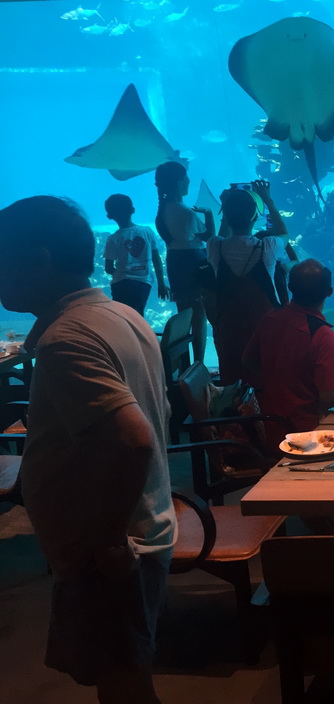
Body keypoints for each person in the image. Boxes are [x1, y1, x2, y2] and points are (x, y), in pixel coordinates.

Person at [0, 196, 175, 704]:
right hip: (141, 532)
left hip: (114, 550)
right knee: (128, 679)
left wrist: (103, 542)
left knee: (123, 690)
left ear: (39, 259)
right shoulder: (120, 313)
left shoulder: (66, 339)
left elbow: (132, 438)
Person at [243, 259, 334, 448]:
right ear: (329, 292)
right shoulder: (324, 337)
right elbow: (330, 395)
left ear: (290, 287)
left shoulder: (270, 319)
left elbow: (248, 361)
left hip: (267, 425)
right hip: (307, 433)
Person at [206, 181, 286, 383]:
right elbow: (283, 232)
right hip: (263, 323)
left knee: (233, 375)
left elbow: (220, 235)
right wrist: (267, 199)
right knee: (265, 374)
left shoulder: (216, 246)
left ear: (226, 216)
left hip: (228, 324)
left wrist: (225, 203)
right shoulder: (267, 246)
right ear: (254, 217)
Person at [154, 161, 214, 364]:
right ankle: (199, 364)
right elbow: (208, 237)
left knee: (184, 315)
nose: (189, 181)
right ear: (179, 182)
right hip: (194, 263)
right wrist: (209, 214)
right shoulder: (185, 212)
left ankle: (183, 364)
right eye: (186, 178)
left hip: (176, 264)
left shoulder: (163, 211)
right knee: (199, 317)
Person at [103, 194, 167, 317]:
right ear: (133, 210)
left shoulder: (113, 239)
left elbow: (108, 268)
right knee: (138, 316)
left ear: (109, 216)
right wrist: (161, 283)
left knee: (123, 318)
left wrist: (123, 273)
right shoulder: (148, 231)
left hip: (121, 284)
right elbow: (156, 259)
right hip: (144, 283)